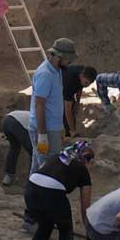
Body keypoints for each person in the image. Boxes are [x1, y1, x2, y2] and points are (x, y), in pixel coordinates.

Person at [23, 141, 96, 240]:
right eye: (91, 164)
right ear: (87, 160)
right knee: (66, 229)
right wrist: (89, 231)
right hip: (52, 193)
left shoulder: (57, 157)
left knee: (44, 228)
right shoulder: (82, 169)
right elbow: (85, 207)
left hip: (31, 189)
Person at [30, 38, 79, 173]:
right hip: (45, 129)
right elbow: (39, 105)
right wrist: (42, 135)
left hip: (53, 128)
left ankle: (31, 192)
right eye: (68, 60)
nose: (70, 63)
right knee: (47, 169)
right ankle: (42, 193)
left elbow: (55, 101)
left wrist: (60, 127)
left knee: (38, 163)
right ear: (59, 57)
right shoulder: (45, 74)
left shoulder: (57, 70)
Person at [63, 65, 98, 138]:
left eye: (89, 84)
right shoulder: (70, 82)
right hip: (57, 88)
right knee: (64, 111)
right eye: (86, 83)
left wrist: (77, 103)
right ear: (81, 76)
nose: (87, 86)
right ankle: (69, 134)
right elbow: (67, 109)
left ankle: (71, 130)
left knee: (73, 110)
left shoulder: (85, 71)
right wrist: (73, 131)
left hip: (69, 85)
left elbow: (80, 87)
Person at [2, 110, 32, 186]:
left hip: (6, 121)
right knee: (33, 152)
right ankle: (32, 181)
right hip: (16, 123)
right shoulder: (40, 120)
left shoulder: (29, 114)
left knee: (14, 147)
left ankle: (8, 177)